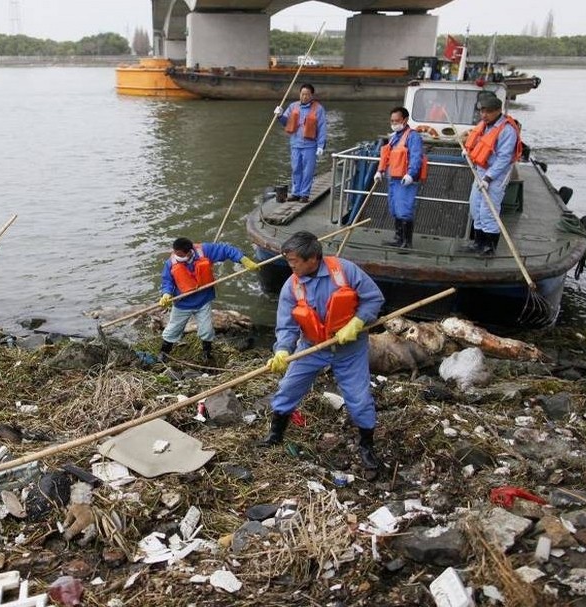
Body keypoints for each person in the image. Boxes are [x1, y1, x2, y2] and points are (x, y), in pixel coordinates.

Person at [260, 231, 385, 473]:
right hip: (311, 347)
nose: (290, 265)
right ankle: (275, 434)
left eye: (294, 261)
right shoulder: (292, 286)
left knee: (359, 399)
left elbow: (373, 299)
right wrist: (283, 350)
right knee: (288, 387)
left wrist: (358, 322)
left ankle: (367, 447)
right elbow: (286, 324)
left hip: (350, 347)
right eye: (289, 260)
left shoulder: (345, 271)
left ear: (313, 259)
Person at [158, 237, 259, 364]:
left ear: (189, 252)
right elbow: (167, 281)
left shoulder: (204, 251)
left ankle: (207, 353)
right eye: (175, 253)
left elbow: (226, 250)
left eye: (180, 254)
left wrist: (243, 259)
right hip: (183, 304)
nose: (176, 256)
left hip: (203, 301)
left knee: (207, 330)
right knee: (173, 329)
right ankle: (163, 353)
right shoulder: (171, 263)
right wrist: (166, 294)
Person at [461, 95, 523, 256]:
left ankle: (489, 247)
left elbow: (504, 158)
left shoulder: (507, 130)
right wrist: (468, 151)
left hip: (497, 174)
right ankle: (477, 242)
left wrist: (489, 178)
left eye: (488, 112)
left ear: (498, 111)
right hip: (481, 170)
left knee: (488, 210)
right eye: (482, 111)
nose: (484, 115)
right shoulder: (485, 125)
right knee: (475, 206)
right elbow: (479, 144)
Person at [375, 106, 425, 249]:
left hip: (405, 180)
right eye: (392, 121)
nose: (394, 123)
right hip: (393, 179)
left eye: (397, 120)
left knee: (404, 209)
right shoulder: (393, 137)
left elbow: (416, 157)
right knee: (394, 208)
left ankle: (406, 242)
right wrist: (380, 171)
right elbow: (387, 156)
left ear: (405, 120)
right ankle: (398, 237)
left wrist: (411, 174)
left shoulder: (413, 136)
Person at [275, 83, 327, 204]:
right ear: (300, 94)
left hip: (310, 145)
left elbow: (322, 128)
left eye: (307, 94)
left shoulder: (318, 109)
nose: (305, 97)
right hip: (295, 144)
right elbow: (285, 122)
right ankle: (296, 192)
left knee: (308, 171)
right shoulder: (293, 106)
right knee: (296, 169)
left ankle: (304, 194)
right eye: (303, 94)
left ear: (312, 95)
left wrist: (321, 145)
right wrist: (279, 115)